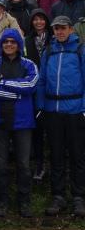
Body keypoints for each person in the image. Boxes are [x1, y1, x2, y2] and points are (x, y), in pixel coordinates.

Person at [0, 28, 38, 218]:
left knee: (23, 164)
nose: (9, 45)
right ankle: (2, 200)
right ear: (1, 44)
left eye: (12, 42)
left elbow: (31, 86)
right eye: (5, 42)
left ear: (18, 44)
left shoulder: (29, 64)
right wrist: (17, 91)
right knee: (0, 164)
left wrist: (5, 82)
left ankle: (24, 201)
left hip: (23, 121)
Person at [36, 16, 85, 218]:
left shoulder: (80, 50)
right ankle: (58, 196)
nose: (60, 32)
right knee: (56, 155)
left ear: (71, 30)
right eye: (56, 29)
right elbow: (41, 80)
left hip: (75, 109)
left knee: (77, 155)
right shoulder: (49, 50)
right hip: (52, 109)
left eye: (63, 28)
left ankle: (78, 197)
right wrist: (40, 106)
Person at [24, 9, 52, 182]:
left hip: (52, 86)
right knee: (37, 128)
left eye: (42, 19)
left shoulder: (54, 38)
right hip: (34, 88)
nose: (39, 22)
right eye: (36, 20)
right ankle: (39, 164)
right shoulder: (27, 40)